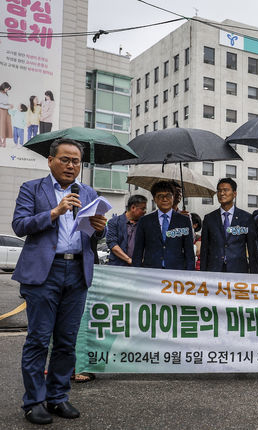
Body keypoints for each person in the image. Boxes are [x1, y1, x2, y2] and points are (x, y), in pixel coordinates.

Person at [12, 139, 107, 424]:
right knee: (39, 340)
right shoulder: (32, 189)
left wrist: (99, 229)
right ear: (51, 160)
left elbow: (91, 235)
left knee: (66, 342)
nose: (71, 165)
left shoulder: (88, 192)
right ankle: (34, 401)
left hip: (77, 271)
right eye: (65, 159)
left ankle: (58, 397)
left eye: (76, 161)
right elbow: (19, 225)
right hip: (44, 273)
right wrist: (55, 211)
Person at [200, 178, 258, 273]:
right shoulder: (209, 218)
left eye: (226, 190)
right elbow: (204, 249)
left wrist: (254, 274)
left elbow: (252, 249)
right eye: (219, 191)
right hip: (214, 269)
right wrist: (202, 273)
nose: (222, 193)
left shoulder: (246, 218)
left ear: (234, 194)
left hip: (238, 270)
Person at [132, 180, 194, 270]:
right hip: (151, 271)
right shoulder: (144, 221)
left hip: (176, 272)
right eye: (160, 196)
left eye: (168, 196)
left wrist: (190, 273)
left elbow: (189, 252)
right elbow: (138, 251)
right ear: (155, 199)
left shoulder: (184, 221)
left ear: (173, 197)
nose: (165, 199)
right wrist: (136, 272)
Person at [106, 194, 147, 266]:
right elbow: (112, 244)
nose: (145, 211)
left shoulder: (144, 223)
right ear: (133, 207)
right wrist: (129, 260)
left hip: (138, 267)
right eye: (143, 209)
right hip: (118, 267)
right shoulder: (114, 222)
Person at [0, 82, 13, 147]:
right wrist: (7, 106)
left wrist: (9, 105)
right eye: (7, 88)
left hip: (6, 111)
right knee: (1, 126)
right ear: (4, 87)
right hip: (1, 111)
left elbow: (5, 102)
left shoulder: (6, 94)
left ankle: (4, 141)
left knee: (7, 126)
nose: (7, 90)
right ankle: (0, 141)